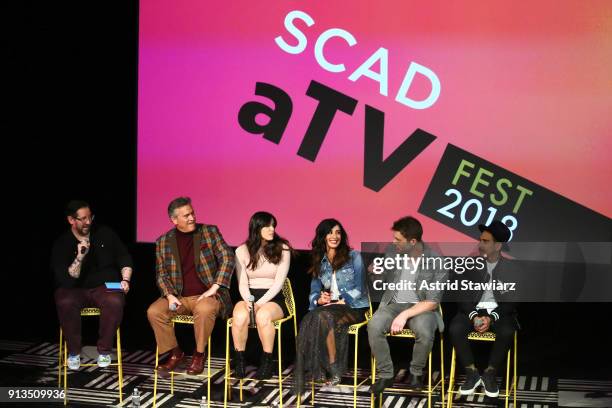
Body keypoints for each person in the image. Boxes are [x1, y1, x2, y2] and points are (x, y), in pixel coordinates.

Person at [147, 197, 234, 376]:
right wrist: (169, 295)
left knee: (203, 310)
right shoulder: (163, 241)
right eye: (186, 215)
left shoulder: (209, 232)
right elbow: (161, 273)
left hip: (206, 296)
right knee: (154, 311)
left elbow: (227, 257)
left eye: (192, 213)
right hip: (178, 297)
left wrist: (215, 287)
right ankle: (175, 353)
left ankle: (199, 355)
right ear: (174, 220)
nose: (192, 218)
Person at [51, 200, 133, 370]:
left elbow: (123, 256)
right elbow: (67, 280)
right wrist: (80, 257)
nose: (88, 222)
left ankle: (104, 350)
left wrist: (125, 279)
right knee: (65, 302)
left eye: (90, 217)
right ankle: (74, 352)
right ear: (71, 220)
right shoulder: (62, 243)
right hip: (74, 289)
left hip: (104, 286)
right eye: (82, 219)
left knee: (115, 301)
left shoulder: (105, 233)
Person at [368, 216, 446, 394]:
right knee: (374, 324)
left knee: (425, 330)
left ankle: (416, 373)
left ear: (412, 241)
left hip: (422, 307)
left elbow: (433, 301)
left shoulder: (436, 261)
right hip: (394, 303)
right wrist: (375, 273)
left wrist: (405, 315)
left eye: (398, 240)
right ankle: (386, 374)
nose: (393, 242)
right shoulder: (392, 251)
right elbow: (382, 279)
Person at [294, 219, 369, 394]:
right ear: (323, 236)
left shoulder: (354, 256)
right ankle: (328, 366)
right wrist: (318, 299)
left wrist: (344, 300)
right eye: (330, 232)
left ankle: (330, 367)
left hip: (354, 307)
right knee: (315, 317)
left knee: (322, 317)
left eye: (338, 232)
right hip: (331, 307)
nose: (334, 236)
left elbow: (361, 287)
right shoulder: (320, 260)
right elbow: (314, 289)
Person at [449, 220, 518, 397]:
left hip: (499, 313)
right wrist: (473, 316)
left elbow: (511, 302)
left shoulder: (512, 269)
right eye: (480, 240)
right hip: (472, 310)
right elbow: (461, 294)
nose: (480, 244)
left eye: (485, 241)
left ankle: (490, 374)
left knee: (507, 330)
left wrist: (491, 317)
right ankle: (471, 373)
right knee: (455, 327)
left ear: (498, 245)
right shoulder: (469, 265)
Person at [232, 211, 292, 380]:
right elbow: (242, 283)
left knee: (263, 316)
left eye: (273, 225)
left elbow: (278, 283)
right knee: (239, 316)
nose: (272, 229)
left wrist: (259, 304)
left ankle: (267, 362)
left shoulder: (283, 248)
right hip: (250, 296)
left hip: (273, 298)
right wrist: (250, 302)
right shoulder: (241, 251)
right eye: (267, 226)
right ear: (256, 228)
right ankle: (240, 361)